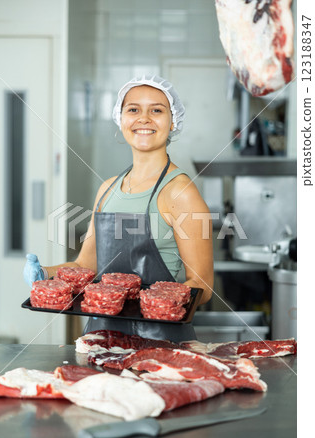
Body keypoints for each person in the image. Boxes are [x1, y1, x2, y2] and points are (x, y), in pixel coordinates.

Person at [24, 75, 214, 342]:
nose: (144, 118)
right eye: (133, 109)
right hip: (99, 337)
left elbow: (202, 286)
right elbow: (85, 265)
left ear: (172, 122)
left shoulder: (181, 192)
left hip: (159, 342)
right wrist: (45, 274)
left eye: (156, 110)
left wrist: (158, 302)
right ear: (120, 119)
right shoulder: (107, 189)